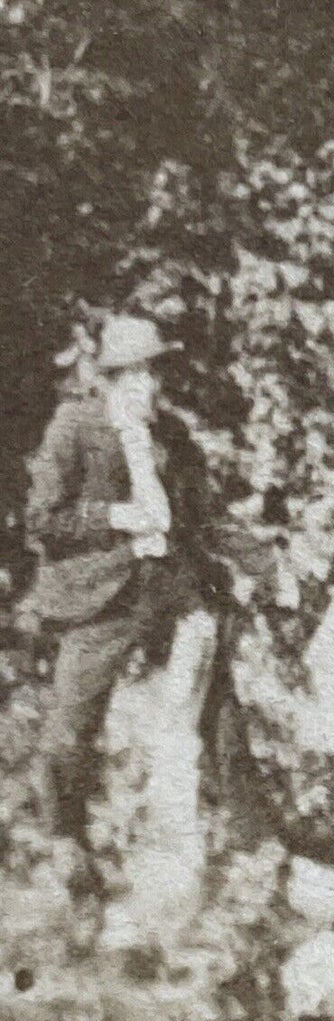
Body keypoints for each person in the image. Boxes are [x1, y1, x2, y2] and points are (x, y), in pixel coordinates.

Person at [24, 315, 202, 854]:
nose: (149, 384)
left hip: (162, 585)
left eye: (154, 371)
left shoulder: (169, 433)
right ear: (110, 378)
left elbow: (195, 516)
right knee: (70, 728)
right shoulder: (75, 426)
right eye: (136, 373)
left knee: (216, 699)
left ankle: (249, 842)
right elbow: (43, 519)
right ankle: (66, 844)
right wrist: (118, 515)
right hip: (99, 596)